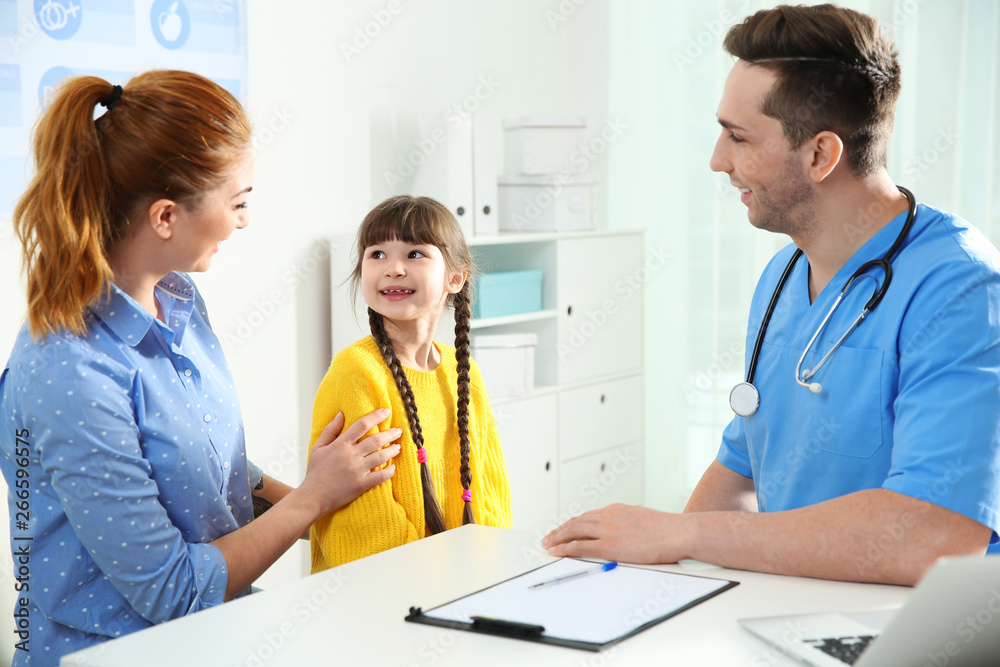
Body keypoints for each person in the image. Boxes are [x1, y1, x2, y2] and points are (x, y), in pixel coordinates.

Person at [543, 3, 1000, 586]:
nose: (717, 160)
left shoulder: (960, 289)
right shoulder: (784, 277)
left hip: (918, 628)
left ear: (820, 154)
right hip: (787, 609)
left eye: (738, 137)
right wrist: (651, 585)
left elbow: (935, 535)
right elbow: (740, 472)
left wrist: (681, 534)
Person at [0, 70, 401, 665]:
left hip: (218, 630)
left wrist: (329, 501)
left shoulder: (178, 299)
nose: (245, 221)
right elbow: (173, 591)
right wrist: (312, 501)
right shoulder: (70, 369)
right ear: (165, 217)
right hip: (117, 648)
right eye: (237, 203)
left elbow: (197, 460)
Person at [309, 195, 511, 571]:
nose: (394, 268)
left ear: (455, 277)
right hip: (383, 599)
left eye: (415, 254)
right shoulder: (358, 371)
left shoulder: (463, 371)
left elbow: (490, 493)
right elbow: (363, 529)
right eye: (377, 254)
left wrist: (485, 574)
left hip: (462, 591)